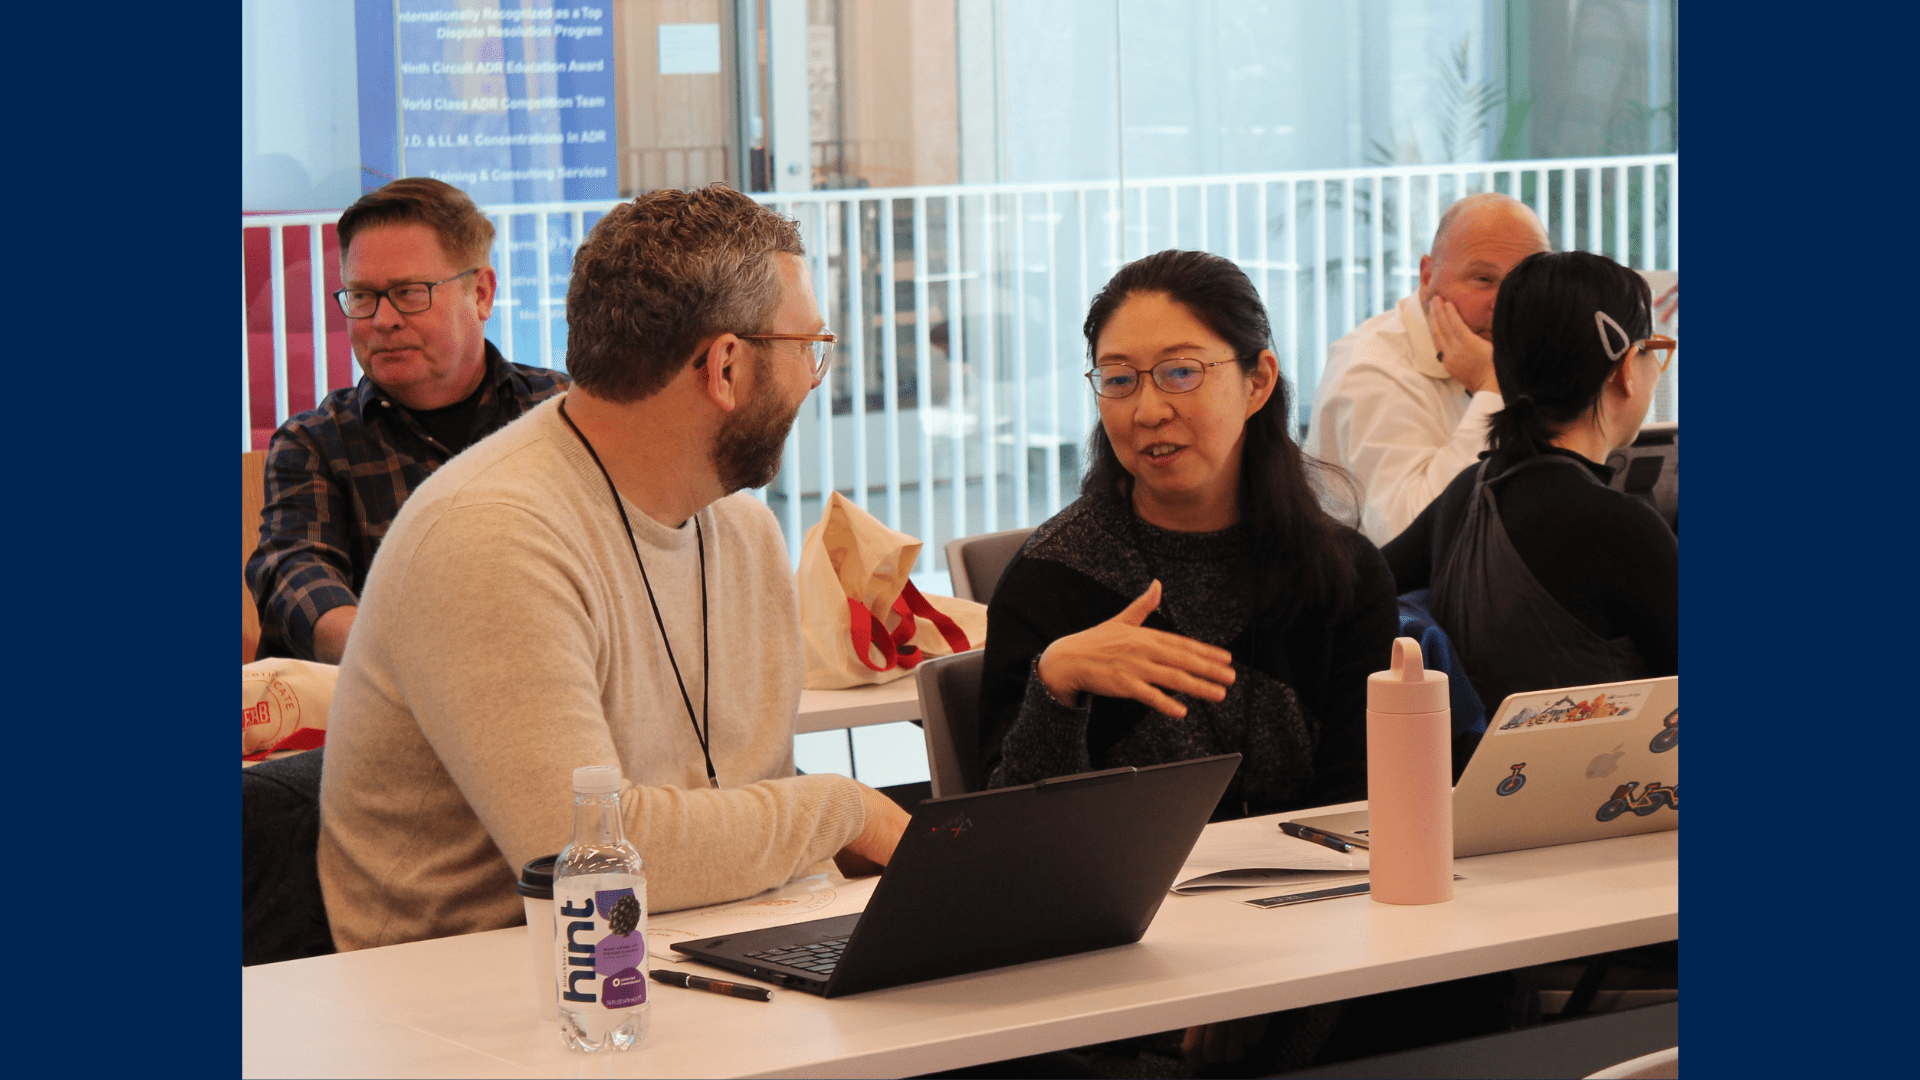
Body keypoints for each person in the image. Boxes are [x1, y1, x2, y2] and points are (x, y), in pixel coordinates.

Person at [317, 186, 911, 951]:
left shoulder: (739, 529)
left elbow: (735, 809)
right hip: (493, 1002)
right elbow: (590, 860)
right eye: (807, 350)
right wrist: (847, 811)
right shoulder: (489, 536)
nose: (810, 380)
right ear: (726, 366)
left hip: (691, 952)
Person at [974, 250, 1397, 1076]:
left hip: (1310, 939)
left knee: (1472, 997)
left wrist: (1257, 982)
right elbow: (1004, 857)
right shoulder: (1058, 579)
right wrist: (1056, 686)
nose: (1147, 409)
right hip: (1112, 963)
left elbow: (1358, 813)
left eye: (1180, 373)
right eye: (1119, 380)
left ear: (1258, 380)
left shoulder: (1339, 574)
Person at [245, 177, 570, 665]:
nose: (382, 320)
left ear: (481, 293)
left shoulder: (563, 413)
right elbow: (295, 576)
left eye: (409, 292)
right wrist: (410, 661)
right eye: (361, 296)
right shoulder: (314, 443)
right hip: (383, 714)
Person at [1382, 250, 1679, 734]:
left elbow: (1361, 588)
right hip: (1605, 801)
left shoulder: (1466, 494)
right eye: (1654, 351)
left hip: (1475, 799)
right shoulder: (1619, 529)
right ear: (1626, 369)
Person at [1306, 192, 1551, 545]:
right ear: (1426, 277)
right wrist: (1491, 388)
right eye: (1483, 279)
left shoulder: (1518, 349)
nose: (1505, 302)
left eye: (1524, 282)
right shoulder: (1369, 369)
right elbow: (1406, 535)